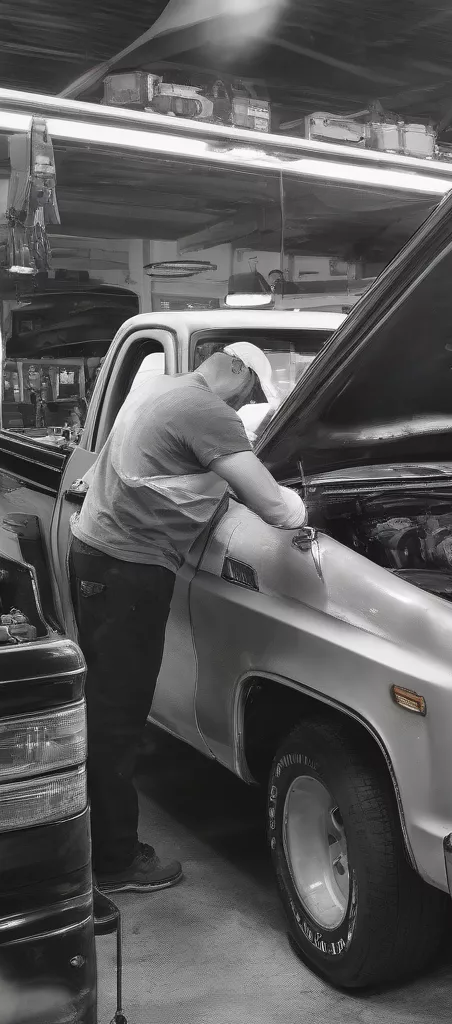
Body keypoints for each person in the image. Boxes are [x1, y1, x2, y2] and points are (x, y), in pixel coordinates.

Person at [70, 347, 307, 893]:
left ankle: (95, 838)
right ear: (240, 371)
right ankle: (115, 860)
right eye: (252, 394)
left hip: (99, 554)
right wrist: (302, 508)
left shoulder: (161, 387)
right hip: (128, 567)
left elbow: (179, 475)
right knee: (117, 715)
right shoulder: (208, 414)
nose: (248, 405)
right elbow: (277, 510)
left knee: (107, 706)